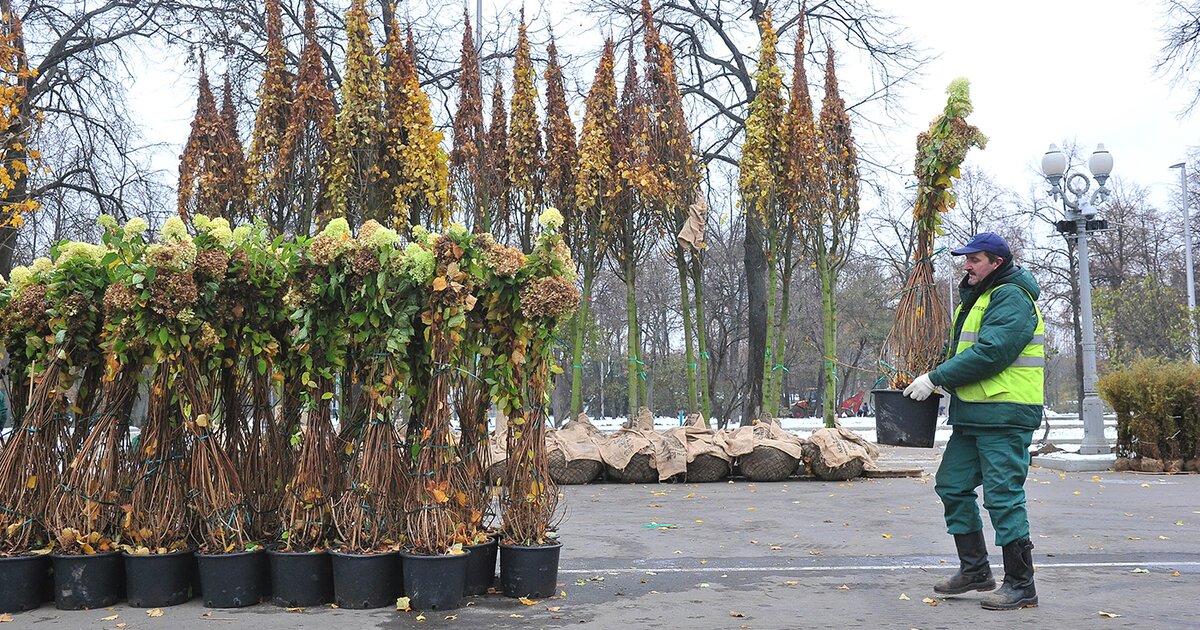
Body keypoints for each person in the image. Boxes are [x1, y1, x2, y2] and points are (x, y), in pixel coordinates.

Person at [903, 232, 1044, 611]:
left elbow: (992, 352)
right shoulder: (983, 295)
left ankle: (1021, 584)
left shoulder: (1011, 297)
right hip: (975, 415)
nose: (966, 265)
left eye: (975, 259)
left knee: (1002, 498)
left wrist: (936, 377)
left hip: (1005, 415)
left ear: (997, 262)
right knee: (951, 485)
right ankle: (976, 570)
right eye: (966, 259)